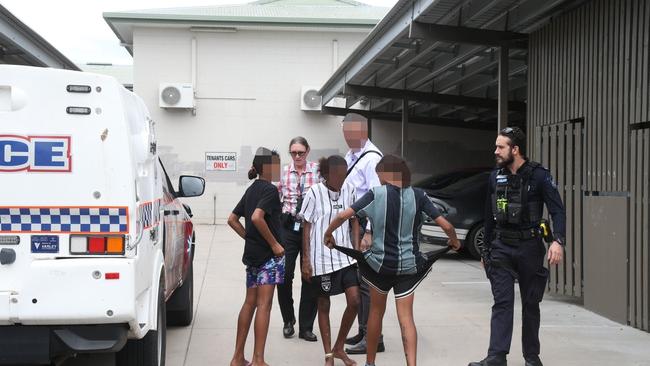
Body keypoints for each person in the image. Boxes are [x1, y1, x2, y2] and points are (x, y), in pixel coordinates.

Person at [324, 154, 462, 366]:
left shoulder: (375, 195)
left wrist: (328, 234)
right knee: (406, 318)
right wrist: (454, 242)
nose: (379, 180)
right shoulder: (420, 196)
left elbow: (344, 215)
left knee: (376, 314)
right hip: (408, 268)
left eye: (380, 175)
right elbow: (447, 226)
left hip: (379, 267)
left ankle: (370, 363)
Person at [469, 127, 566, 366]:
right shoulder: (495, 176)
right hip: (501, 246)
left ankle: (531, 358)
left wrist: (558, 240)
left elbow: (557, 209)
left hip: (530, 247)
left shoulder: (540, 176)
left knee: (530, 304)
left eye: (501, 147)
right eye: (496, 146)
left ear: (515, 149)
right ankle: (496, 356)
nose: (496, 151)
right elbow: (488, 213)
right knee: (502, 302)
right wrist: (486, 250)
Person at [300, 155, 361, 366]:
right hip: (322, 260)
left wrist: (355, 250)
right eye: (337, 175)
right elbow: (306, 227)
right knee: (323, 304)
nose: (342, 179)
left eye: (344, 175)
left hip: (345, 258)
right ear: (326, 174)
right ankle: (329, 355)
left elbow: (354, 219)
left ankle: (339, 347)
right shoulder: (314, 193)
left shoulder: (350, 189)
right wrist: (305, 260)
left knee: (355, 301)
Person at [227, 147, 286, 366]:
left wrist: (250, 238)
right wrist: (274, 244)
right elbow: (257, 217)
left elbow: (232, 219)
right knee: (264, 306)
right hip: (268, 259)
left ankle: (237, 358)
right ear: (267, 168)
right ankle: (258, 360)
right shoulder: (270, 190)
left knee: (249, 303)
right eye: (277, 165)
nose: (280, 169)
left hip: (252, 257)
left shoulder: (252, 189)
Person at [339, 113, 384, 355]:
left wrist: (369, 232)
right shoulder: (351, 155)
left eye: (350, 133)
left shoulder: (372, 159)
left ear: (363, 132)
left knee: (367, 283)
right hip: (354, 224)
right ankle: (364, 330)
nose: (346, 137)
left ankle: (373, 338)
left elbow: (379, 198)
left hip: (367, 224)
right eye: (344, 133)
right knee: (359, 279)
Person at [275, 136, 319, 341]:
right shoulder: (283, 173)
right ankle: (288, 319)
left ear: (308, 151)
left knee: (309, 276)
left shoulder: (318, 172)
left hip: (311, 229)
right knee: (284, 275)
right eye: (293, 152)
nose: (297, 156)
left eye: (301, 152)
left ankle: (306, 327)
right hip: (289, 228)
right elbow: (274, 198)